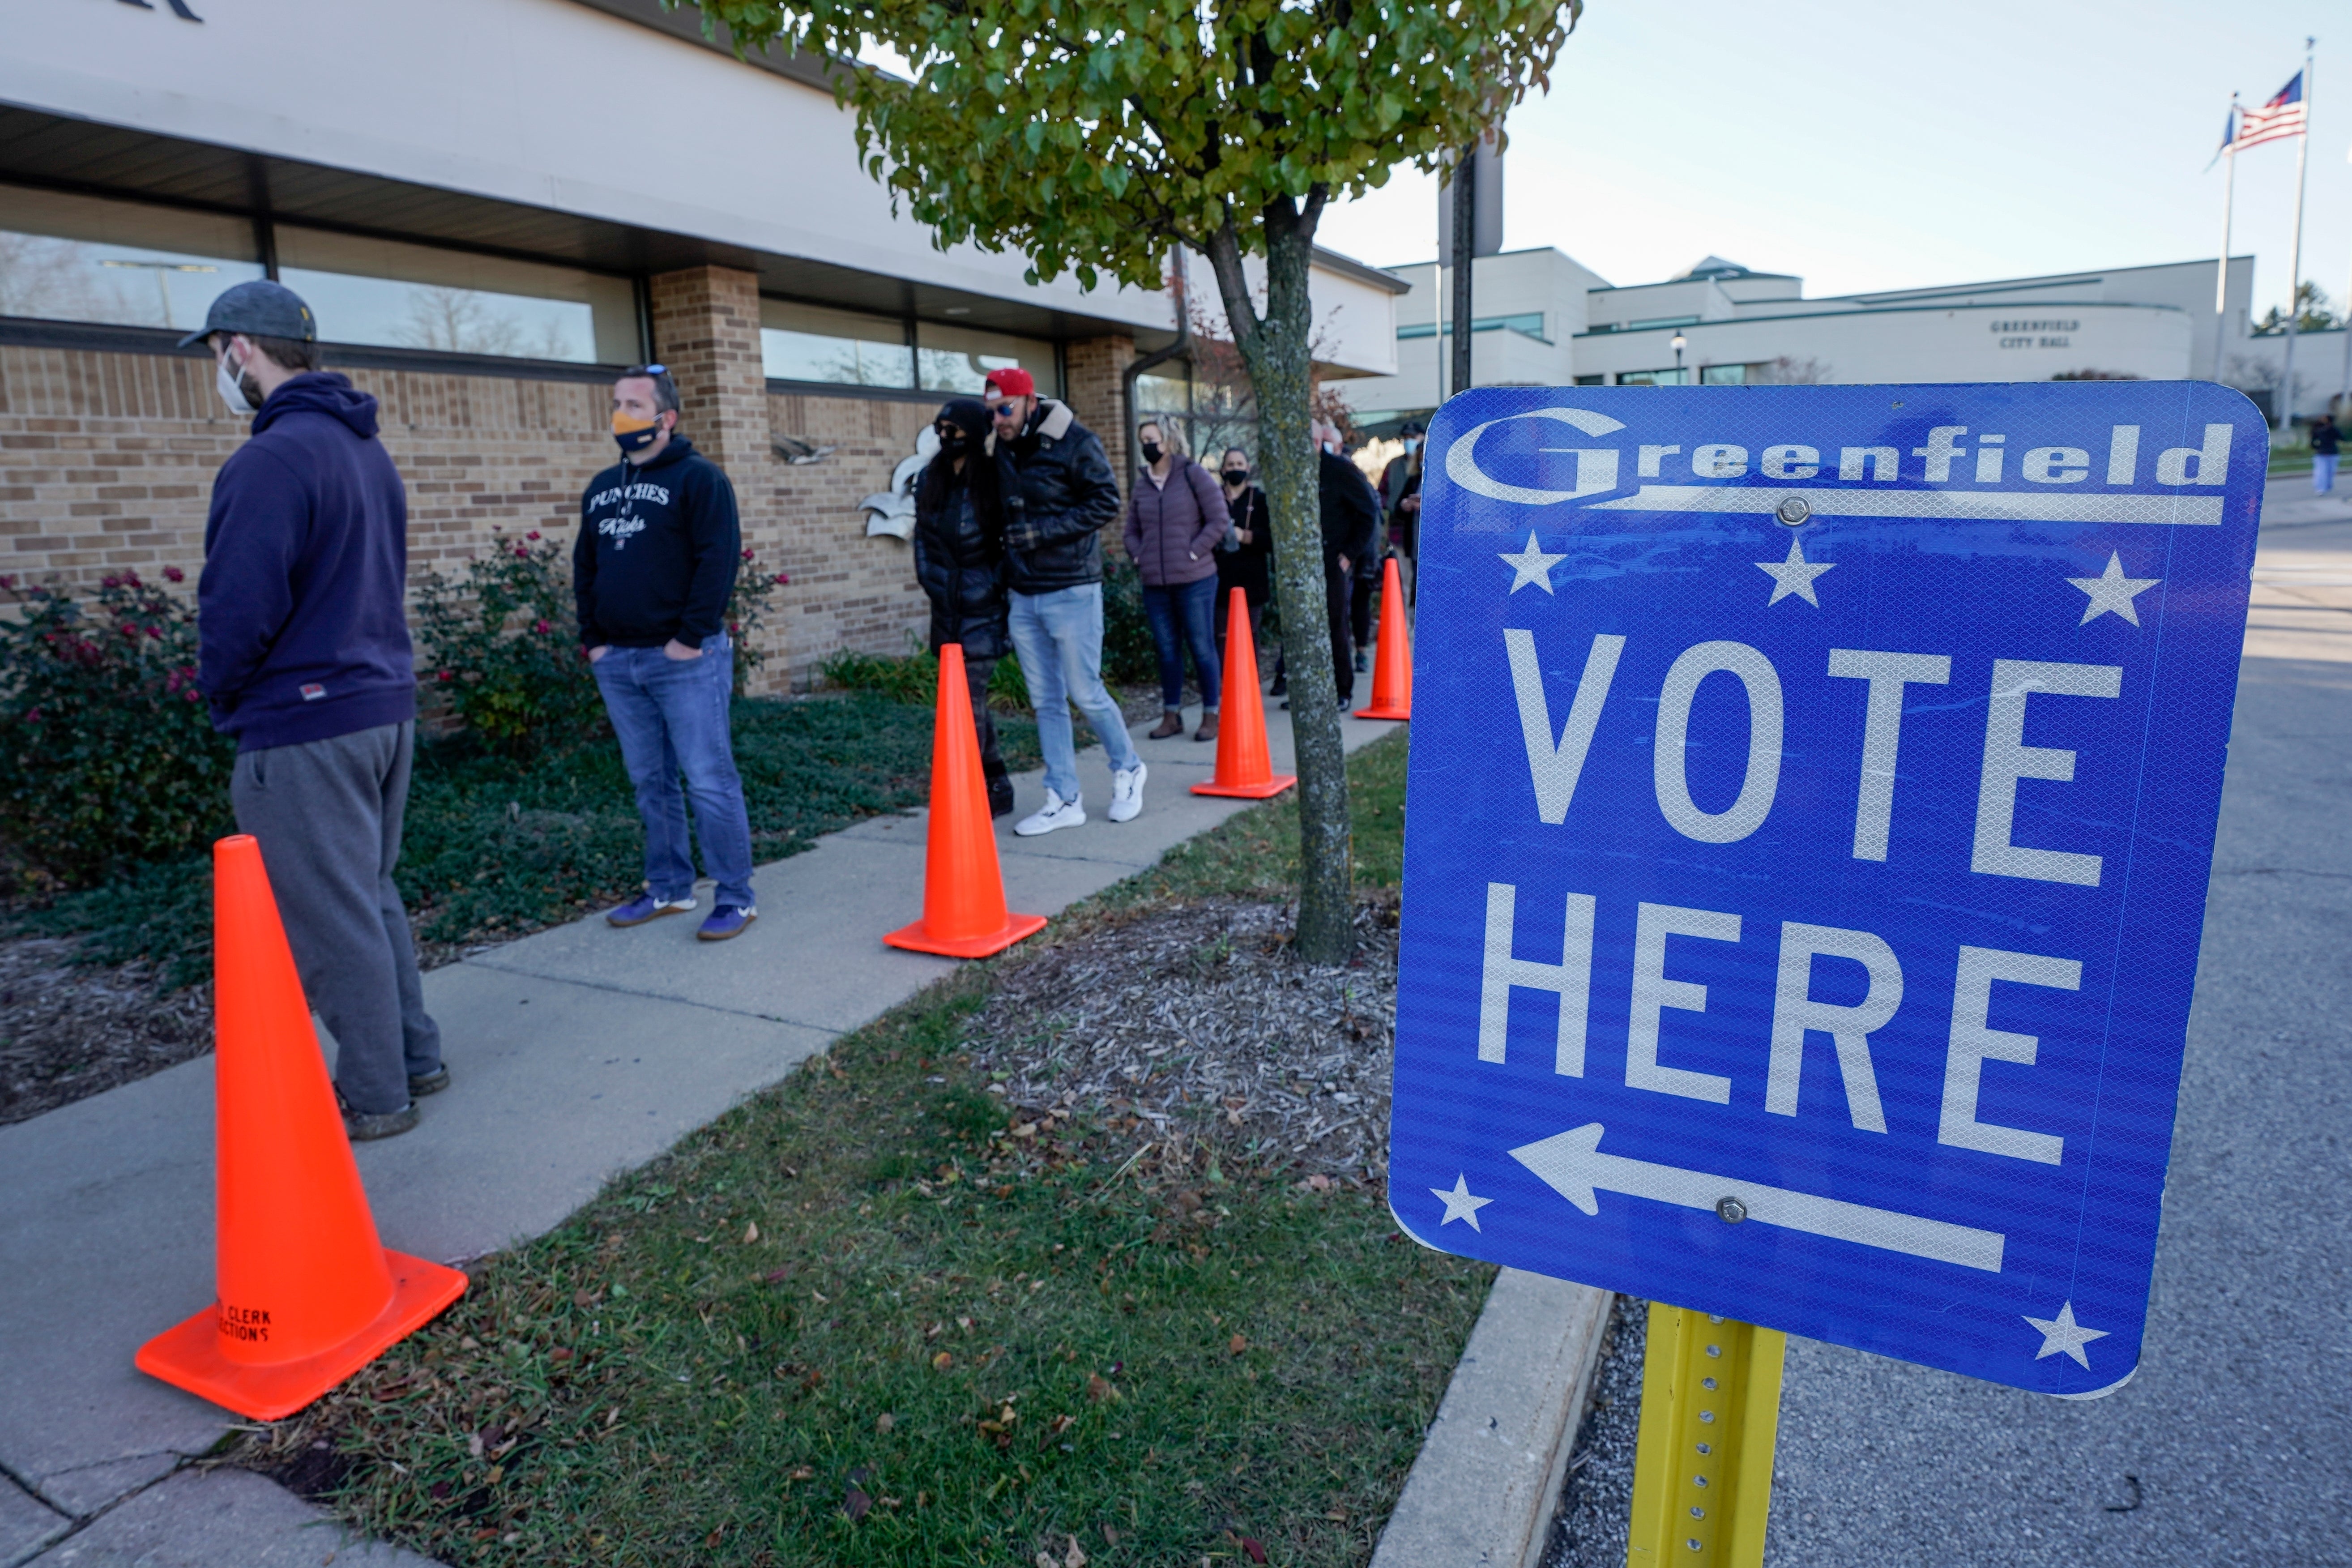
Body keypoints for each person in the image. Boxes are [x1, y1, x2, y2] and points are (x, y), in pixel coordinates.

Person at [188, 280, 444, 1142]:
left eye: (217, 354)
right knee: (368, 895)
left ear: (239, 351)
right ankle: (414, 1057)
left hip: (305, 722)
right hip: (380, 706)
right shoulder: (364, 450)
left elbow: (237, 607)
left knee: (332, 917)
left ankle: (375, 1096)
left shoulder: (269, 460)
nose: (219, 373)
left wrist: (224, 695)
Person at [575, 364, 759, 941]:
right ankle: (669, 887)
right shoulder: (602, 487)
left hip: (684, 659)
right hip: (619, 661)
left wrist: (688, 638)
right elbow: (586, 566)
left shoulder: (700, 479)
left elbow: (718, 561)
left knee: (708, 779)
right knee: (649, 780)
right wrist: (594, 639)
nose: (620, 414)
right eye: (616, 403)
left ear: (666, 417)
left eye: (633, 403)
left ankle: (735, 896)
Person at [986, 367, 1146, 835]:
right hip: (1024, 593)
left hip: (1073, 587)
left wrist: (1040, 534)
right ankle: (1063, 797)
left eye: (1005, 409)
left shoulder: (1075, 441)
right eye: (991, 412)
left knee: (1085, 691)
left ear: (1029, 402)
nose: (997, 419)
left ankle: (1129, 767)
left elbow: (1106, 501)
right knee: (1045, 701)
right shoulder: (1000, 448)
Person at [913, 397, 1017, 816]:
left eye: (954, 429)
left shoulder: (992, 478)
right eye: (941, 428)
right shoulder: (930, 478)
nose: (945, 437)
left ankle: (966, 791)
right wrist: (932, 582)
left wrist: (992, 588)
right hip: (946, 607)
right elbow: (922, 537)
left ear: (973, 434)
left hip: (983, 607)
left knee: (967, 700)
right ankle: (997, 782)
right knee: (965, 699)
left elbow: (1007, 543)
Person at [1124, 419, 1231, 741]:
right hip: (1155, 583)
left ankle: (1211, 714)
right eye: (1143, 440)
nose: (1146, 446)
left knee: (1201, 647)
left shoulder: (1192, 474)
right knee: (1167, 650)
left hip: (1195, 580)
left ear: (1168, 442)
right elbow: (1130, 530)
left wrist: (1193, 553)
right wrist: (1138, 554)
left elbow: (1218, 519)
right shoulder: (1142, 483)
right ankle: (1171, 715)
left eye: (1151, 439)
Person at [1289, 421, 1379, 710]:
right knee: (1302, 628)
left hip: (1332, 563)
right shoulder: (1293, 473)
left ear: (1317, 443)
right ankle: (1306, 689)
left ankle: (1343, 690)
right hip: (1302, 564)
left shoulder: (1339, 470)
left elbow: (1368, 512)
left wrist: (1349, 555)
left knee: (1336, 626)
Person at [1213, 446, 1274, 662]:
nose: (1235, 469)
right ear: (1223, 469)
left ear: (1248, 468)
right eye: (1231, 465)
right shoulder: (1213, 498)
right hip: (1219, 578)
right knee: (1221, 635)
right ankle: (1224, 685)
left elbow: (1271, 540)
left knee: (1250, 634)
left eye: (1240, 464)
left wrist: (1246, 536)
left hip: (1252, 579)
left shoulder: (1260, 499)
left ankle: (1251, 686)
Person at [1379, 422, 1425, 607]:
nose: (1409, 442)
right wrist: (1400, 506)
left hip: (1427, 540)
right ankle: (1404, 630)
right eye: (1406, 438)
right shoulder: (1396, 467)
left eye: (1413, 438)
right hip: (1401, 536)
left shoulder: (1436, 470)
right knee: (1403, 585)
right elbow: (1383, 495)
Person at [2314, 411, 2341, 495]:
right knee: (2323, 471)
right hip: (2326, 453)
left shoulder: (2330, 430)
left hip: (2329, 453)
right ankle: (2322, 488)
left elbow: (2341, 437)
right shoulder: (2322, 429)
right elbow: (2313, 440)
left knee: (2327, 472)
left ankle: (2325, 486)